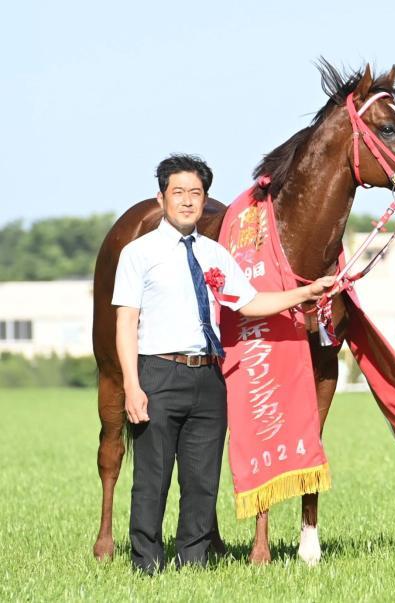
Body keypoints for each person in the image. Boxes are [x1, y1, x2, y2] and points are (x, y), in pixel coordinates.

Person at [113, 154, 335, 574]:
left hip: (210, 376)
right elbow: (126, 321)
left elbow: (250, 302)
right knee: (152, 479)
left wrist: (305, 295)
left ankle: (192, 562)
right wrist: (131, 384)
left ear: (204, 199)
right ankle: (146, 565)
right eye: (177, 192)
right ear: (161, 198)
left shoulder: (216, 255)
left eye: (195, 193)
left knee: (201, 481)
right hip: (158, 373)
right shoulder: (138, 254)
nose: (186, 201)